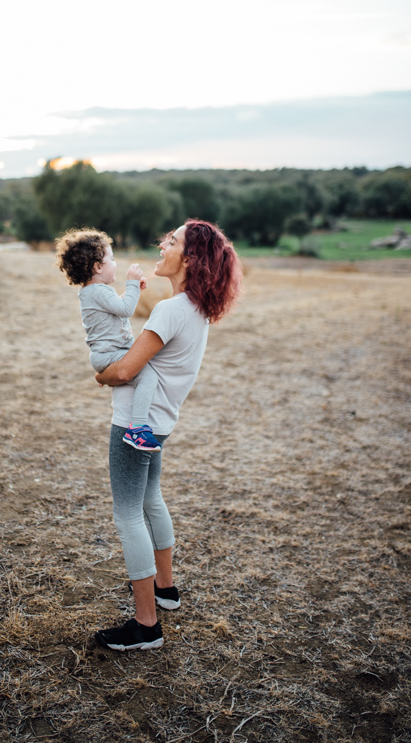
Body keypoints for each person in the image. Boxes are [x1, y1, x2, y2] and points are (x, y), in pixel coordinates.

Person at [94, 220, 243, 651]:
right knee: (150, 499)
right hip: (158, 424)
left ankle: (146, 626)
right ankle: (166, 589)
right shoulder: (195, 307)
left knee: (128, 515)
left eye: (172, 241)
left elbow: (125, 370)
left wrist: (102, 377)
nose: (163, 245)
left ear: (190, 258)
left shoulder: (170, 311)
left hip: (134, 425)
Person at [55, 228, 162, 452]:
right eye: (111, 258)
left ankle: (137, 423)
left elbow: (113, 309)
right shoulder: (101, 291)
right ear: (97, 267)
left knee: (142, 372)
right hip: (111, 353)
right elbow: (125, 310)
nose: (115, 263)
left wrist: (133, 291)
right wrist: (131, 283)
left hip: (103, 354)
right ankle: (138, 429)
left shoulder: (92, 292)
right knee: (148, 375)